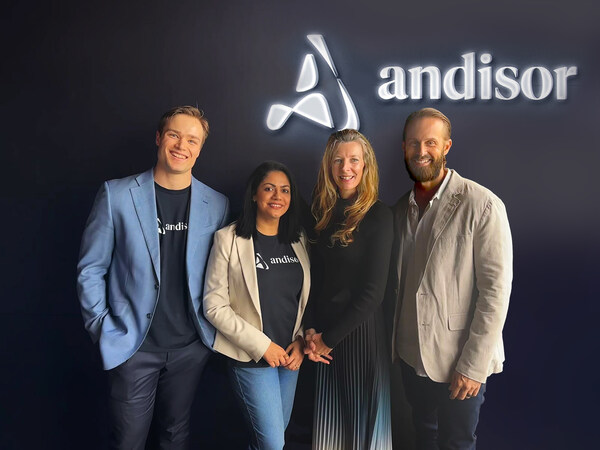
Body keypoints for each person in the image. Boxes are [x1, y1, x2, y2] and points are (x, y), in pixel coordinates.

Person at [76, 106, 230, 449]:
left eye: (192, 140)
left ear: (200, 148)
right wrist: (103, 328)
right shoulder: (116, 195)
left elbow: (221, 277)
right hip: (133, 345)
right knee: (127, 441)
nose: (182, 146)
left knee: (175, 437)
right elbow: (91, 268)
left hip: (190, 347)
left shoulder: (217, 204)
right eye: (174, 135)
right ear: (159, 138)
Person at [388, 107, 512, 449]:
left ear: (446, 146)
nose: (421, 151)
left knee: (456, 443)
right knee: (424, 439)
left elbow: (495, 293)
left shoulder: (482, 204)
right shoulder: (398, 211)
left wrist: (473, 366)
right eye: (414, 143)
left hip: (459, 359)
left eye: (431, 142)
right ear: (403, 148)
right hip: (412, 359)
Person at [203, 161, 310, 450]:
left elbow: (304, 299)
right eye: (269, 188)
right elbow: (214, 305)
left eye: (285, 190)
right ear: (254, 194)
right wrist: (263, 346)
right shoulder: (228, 239)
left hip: (290, 358)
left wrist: (301, 340)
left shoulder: (299, 240)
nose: (278, 196)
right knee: (273, 444)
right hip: (251, 357)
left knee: (271, 441)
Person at [304, 129, 393, 450]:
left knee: (362, 434)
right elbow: (313, 280)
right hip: (322, 341)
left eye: (354, 160)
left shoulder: (379, 215)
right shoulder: (320, 214)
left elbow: (373, 293)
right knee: (330, 434)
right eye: (338, 160)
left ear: (366, 165)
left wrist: (327, 340)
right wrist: (311, 330)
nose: (346, 168)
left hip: (360, 337)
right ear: (328, 166)